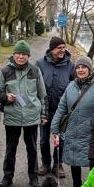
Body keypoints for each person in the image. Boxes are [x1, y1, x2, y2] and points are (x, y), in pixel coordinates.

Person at [0, 40, 47, 187]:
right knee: (10, 149)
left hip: (31, 116)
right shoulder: (4, 71)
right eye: (18, 53)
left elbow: (42, 95)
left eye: (24, 54)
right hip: (12, 116)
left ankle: (34, 177)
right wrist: (5, 98)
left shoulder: (35, 71)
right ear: (14, 54)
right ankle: (7, 177)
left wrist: (43, 114)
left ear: (28, 56)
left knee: (32, 149)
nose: (21, 57)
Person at [50, 56, 94, 187]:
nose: (80, 70)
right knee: (74, 162)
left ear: (90, 69)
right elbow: (62, 107)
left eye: (84, 67)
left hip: (90, 134)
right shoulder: (71, 86)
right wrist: (54, 128)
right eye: (78, 67)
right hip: (72, 131)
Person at [37, 36, 74, 178]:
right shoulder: (40, 63)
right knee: (43, 139)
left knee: (61, 139)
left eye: (64, 48)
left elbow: (74, 85)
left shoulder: (71, 65)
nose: (62, 50)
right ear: (52, 49)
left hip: (62, 110)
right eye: (59, 48)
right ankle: (45, 163)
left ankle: (58, 165)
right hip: (44, 109)